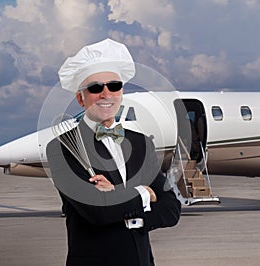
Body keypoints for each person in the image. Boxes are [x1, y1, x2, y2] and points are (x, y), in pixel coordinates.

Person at [46, 38, 181, 266]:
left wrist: (117, 195)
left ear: (121, 92)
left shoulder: (141, 144)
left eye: (114, 86)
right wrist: (146, 194)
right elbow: (97, 212)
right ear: (80, 98)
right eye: (95, 88)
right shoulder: (63, 148)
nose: (106, 94)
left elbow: (172, 208)